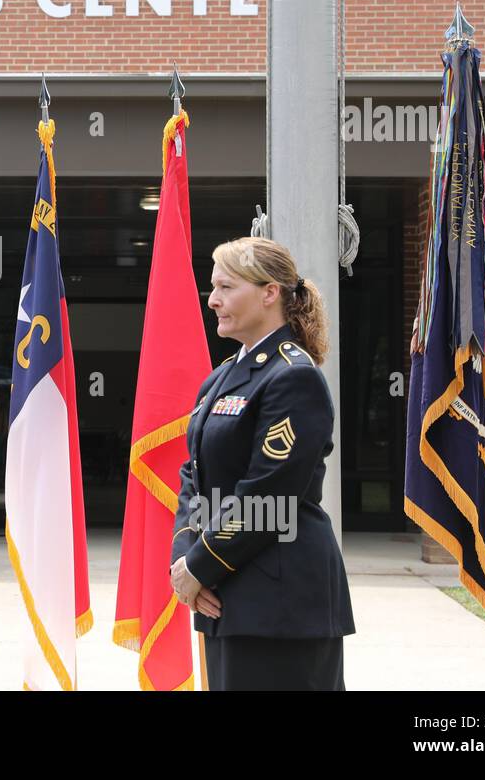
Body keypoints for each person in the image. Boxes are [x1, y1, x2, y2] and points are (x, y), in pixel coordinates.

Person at [170, 237, 355, 690]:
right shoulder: (224, 375)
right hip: (226, 594)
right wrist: (185, 560)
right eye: (213, 288)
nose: (212, 300)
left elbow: (269, 493)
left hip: (281, 600)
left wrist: (201, 564)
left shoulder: (293, 375)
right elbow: (194, 475)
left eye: (226, 288)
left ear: (269, 293)